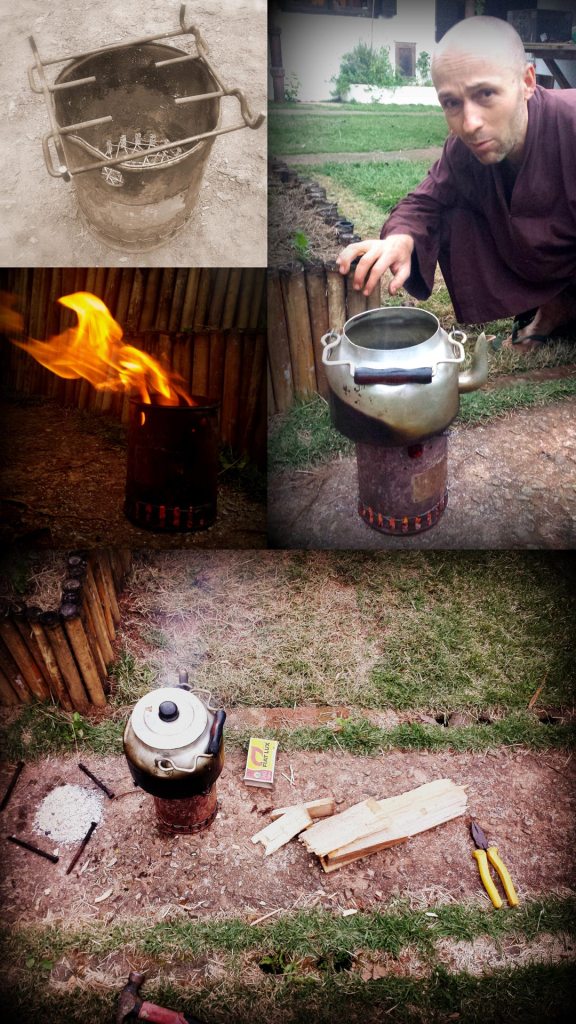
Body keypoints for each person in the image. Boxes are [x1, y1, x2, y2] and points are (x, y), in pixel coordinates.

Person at [336, 16, 576, 349]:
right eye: (451, 103)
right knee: (454, 206)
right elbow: (426, 201)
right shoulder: (463, 149)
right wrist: (402, 238)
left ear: (527, 82)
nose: (470, 123)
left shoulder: (571, 124)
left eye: (486, 93)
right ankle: (556, 308)